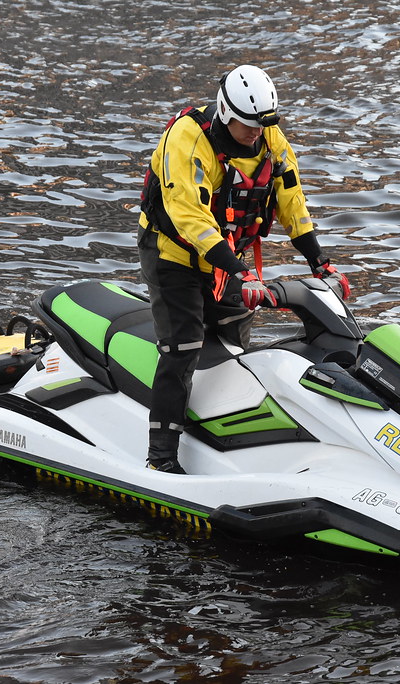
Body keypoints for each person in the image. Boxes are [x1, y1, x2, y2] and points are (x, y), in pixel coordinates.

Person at [137, 64, 350, 474]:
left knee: (234, 342)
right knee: (184, 347)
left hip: (227, 258)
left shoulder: (269, 139)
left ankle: (226, 434)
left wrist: (320, 262)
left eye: (262, 125)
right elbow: (190, 219)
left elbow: (292, 202)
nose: (255, 133)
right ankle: (160, 457)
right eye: (247, 125)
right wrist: (241, 272)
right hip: (173, 255)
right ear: (224, 112)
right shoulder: (187, 140)